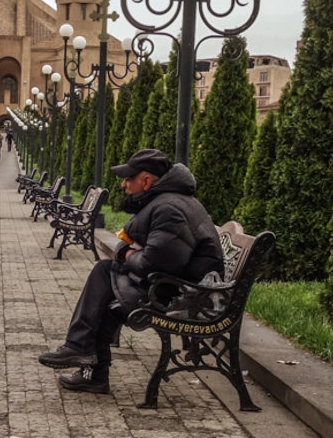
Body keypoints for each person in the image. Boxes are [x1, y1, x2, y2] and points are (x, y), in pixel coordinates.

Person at [38, 148, 224, 394]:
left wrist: (125, 254)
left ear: (146, 181)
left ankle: (84, 356)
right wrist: (128, 251)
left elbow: (153, 263)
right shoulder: (167, 201)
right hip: (177, 283)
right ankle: (84, 357)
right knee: (105, 278)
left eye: (128, 179)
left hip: (183, 293)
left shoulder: (169, 208)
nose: (124, 184)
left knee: (106, 285)